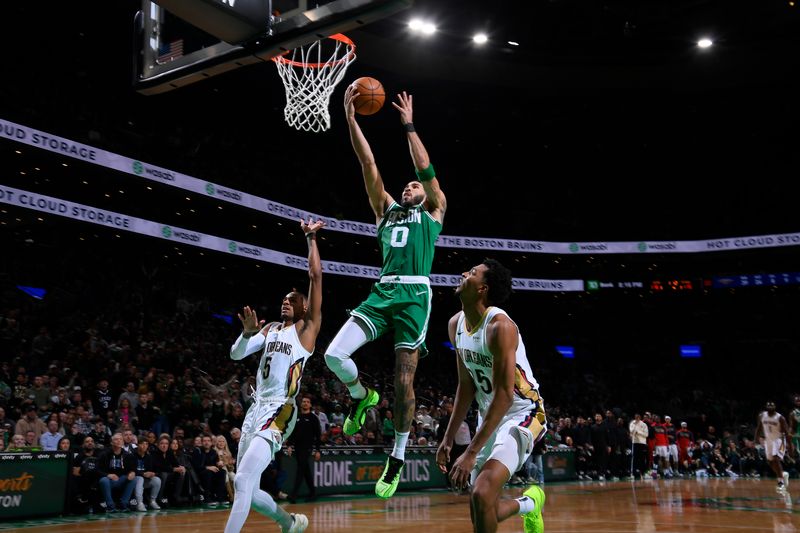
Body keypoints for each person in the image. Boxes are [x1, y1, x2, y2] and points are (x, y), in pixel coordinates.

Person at [324, 87, 447, 499]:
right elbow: (367, 162)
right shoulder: (385, 210)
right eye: (408, 185)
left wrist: (408, 125)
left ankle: (396, 455)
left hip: (414, 295)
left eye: (416, 185)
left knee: (404, 381)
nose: (411, 186)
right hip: (381, 291)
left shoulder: (434, 212)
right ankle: (362, 396)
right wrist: (351, 118)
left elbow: (425, 166)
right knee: (333, 355)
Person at [223, 217, 324, 533]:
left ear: (304, 308)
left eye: (292, 300)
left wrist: (310, 240)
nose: (285, 302)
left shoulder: (305, 331)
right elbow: (236, 354)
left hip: (281, 408)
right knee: (248, 490)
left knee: (241, 480)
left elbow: (316, 276)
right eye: (283, 300)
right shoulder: (268, 330)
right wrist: (245, 334)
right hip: (256, 409)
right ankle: (289, 522)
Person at [436, 260, 546, 533]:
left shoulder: (500, 327)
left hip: (522, 413)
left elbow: (505, 395)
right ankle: (529, 503)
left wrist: (471, 452)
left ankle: (529, 503)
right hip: (490, 415)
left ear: (482, 289)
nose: (463, 273)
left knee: (481, 494)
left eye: (471, 273)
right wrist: (448, 439)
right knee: (481, 505)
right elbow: (465, 385)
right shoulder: (456, 325)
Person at [755, 401, 794, 493]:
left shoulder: (780, 418)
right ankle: (782, 474)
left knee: (776, 458)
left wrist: (790, 447)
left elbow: (787, 433)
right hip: (768, 440)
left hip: (779, 440)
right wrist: (756, 439)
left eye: (772, 406)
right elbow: (759, 428)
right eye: (769, 406)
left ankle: (780, 483)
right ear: (766, 407)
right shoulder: (762, 416)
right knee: (770, 461)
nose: (770, 408)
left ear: (775, 407)